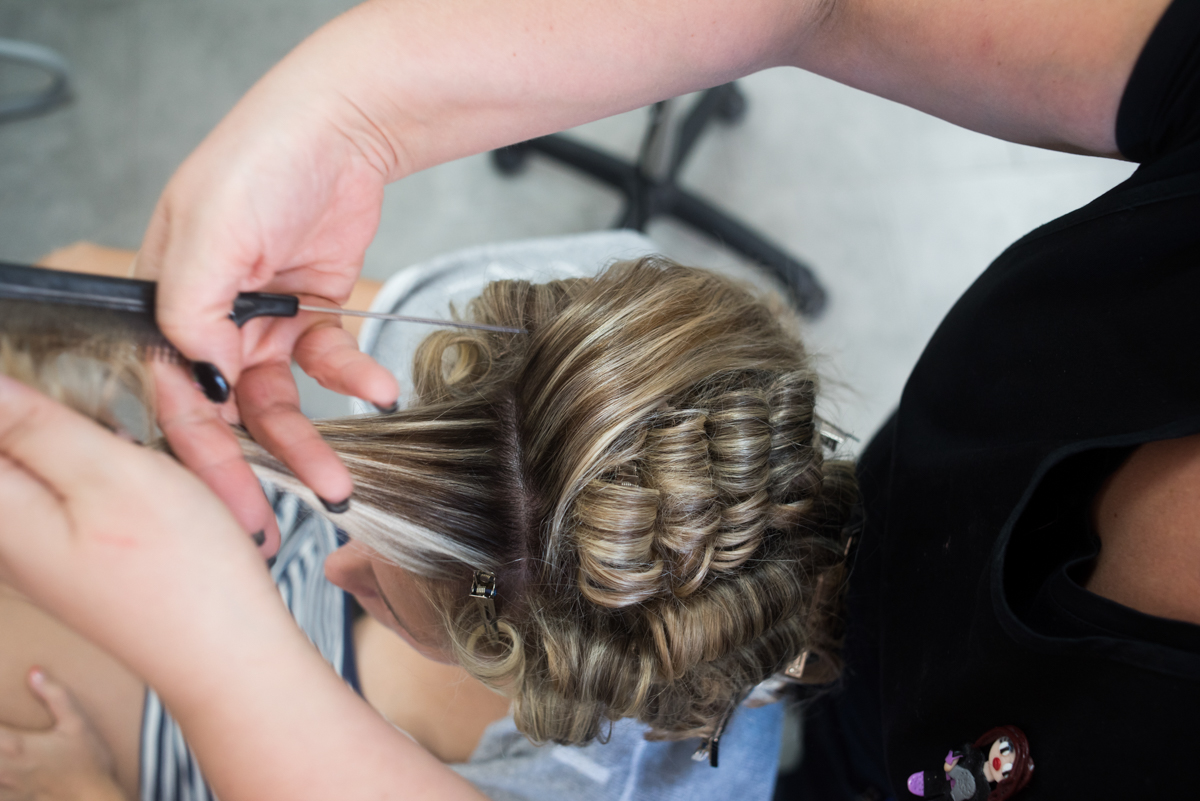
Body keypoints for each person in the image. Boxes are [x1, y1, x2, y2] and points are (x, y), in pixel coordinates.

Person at [4, 0, 1200, 797]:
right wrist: (351, 112)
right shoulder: (529, 364)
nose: (337, 557)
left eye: (385, 570)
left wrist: (127, 757)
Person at [0, 254, 855, 801]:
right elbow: (142, 288)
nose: (337, 566)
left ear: (517, 662)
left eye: (388, 591)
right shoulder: (578, 361)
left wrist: (83, 790)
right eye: (367, 521)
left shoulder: (607, 788)